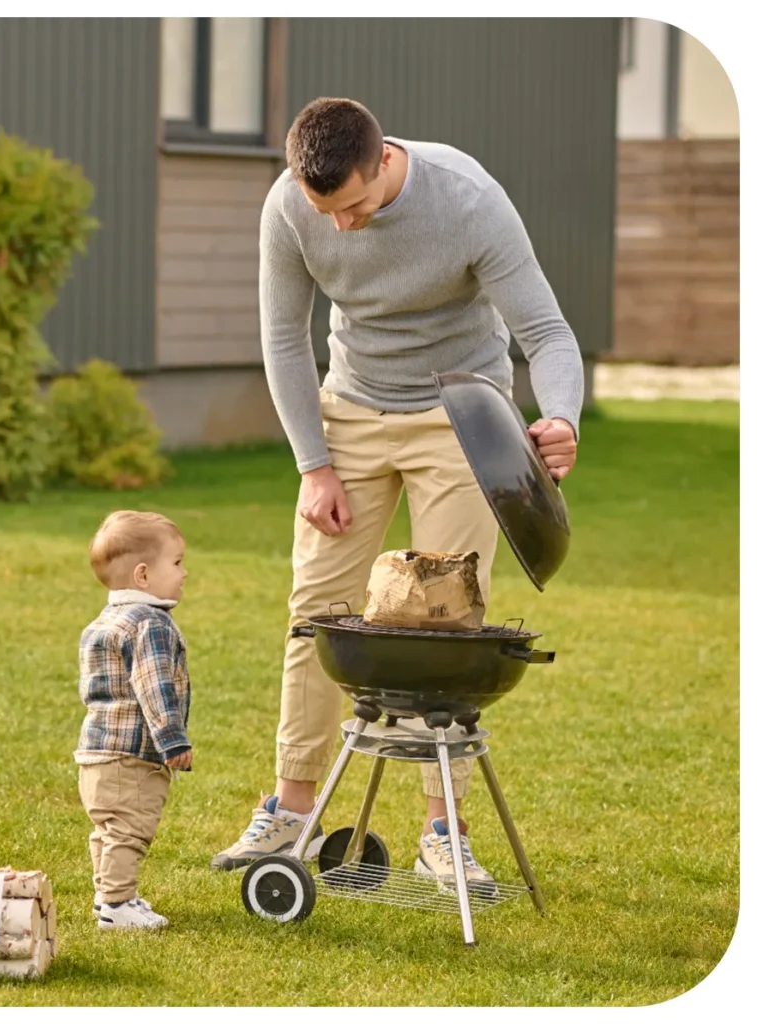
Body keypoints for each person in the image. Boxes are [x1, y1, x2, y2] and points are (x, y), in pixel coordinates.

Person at [211, 97, 582, 893]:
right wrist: (314, 464)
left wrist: (560, 417)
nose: (340, 227)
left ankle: (442, 830)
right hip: (349, 412)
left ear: (383, 163)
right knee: (317, 609)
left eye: (353, 206)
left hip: (459, 413)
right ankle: (293, 807)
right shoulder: (290, 205)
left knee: (442, 621)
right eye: (325, 211)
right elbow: (283, 337)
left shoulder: (468, 200)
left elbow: (545, 334)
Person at [76, 510, 192, 930]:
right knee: (129, 830)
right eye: (177, 563)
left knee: (107, 830)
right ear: (143, 575)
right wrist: (173, 741)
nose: (184, 573)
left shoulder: (102, 623)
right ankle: (117, 903)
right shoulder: (151, 624)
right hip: (132, 756)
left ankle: (109, 897)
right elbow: (154, 685)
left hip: (95, 752)